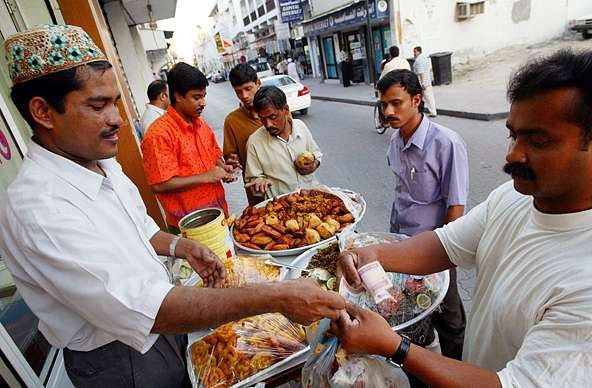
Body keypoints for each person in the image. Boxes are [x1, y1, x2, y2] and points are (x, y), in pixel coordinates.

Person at [0, 25, 346, 388]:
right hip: (122, 359)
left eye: (115, 103)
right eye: (97, 105)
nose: (117, 119)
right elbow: (147, 309)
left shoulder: (101, 162)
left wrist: (183, 247)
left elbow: (141, 228)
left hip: (166, 326)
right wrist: (276, 297)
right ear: (43, 111)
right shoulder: (39, 208)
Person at [333, 49, 592, 387]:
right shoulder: (514, 196)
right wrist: (374, 255)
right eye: (513, 134)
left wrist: (395, 346)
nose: (513, 154)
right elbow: (445, 244)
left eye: (538, 141)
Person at [380, 69, 468, 365]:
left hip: (437, 250)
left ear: (417, 100)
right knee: (415, 315)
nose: (388, 111)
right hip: (403, 248)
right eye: (384, 105)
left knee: (450, 319)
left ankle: (456, 371)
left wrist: (442, 262)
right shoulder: (395, 141)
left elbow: (456, 210)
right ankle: (424, 368)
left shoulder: (447, 143)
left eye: (396, 103)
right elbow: (401, 196)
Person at [141, 62, 234, 232]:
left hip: (219, 215)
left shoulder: (201, 125)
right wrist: (207, 176)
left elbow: (214, 157)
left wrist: (223, 168)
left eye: (204, 96)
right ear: (178, 96)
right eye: (196, 97)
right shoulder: (159, 134)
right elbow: (159, 185)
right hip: (190, 226)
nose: (203, 103)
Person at [245, 86, 321, 198]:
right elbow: (254, 184)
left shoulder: (301, 126)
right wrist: (259, 184)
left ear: (285, 110)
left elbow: (317, 156)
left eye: (273, 117)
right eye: (262, 119)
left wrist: (312, 165)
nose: (268, 124)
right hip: (283, 209)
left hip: (313, 198)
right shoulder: (254, 142)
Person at [223, 63, 264, 205]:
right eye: (238, 92)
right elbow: (229, 157)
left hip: (286, 184)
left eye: (248, 89)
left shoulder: (277, 110)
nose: (244, 96)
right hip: (258, 191)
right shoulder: (232, 121)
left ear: (258, 83)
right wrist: (231, 163)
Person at [413, 46, 437, 117]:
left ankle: (424, 112)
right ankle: (432, 111)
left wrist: (422, 83)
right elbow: (428, 69)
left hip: (421, 82)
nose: (414, 53)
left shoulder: (418, 61)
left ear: (419, 52)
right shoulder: (425, 59)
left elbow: (421, 72)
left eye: (415, 51)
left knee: (421, 97)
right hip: (427, 80)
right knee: (429, 97)